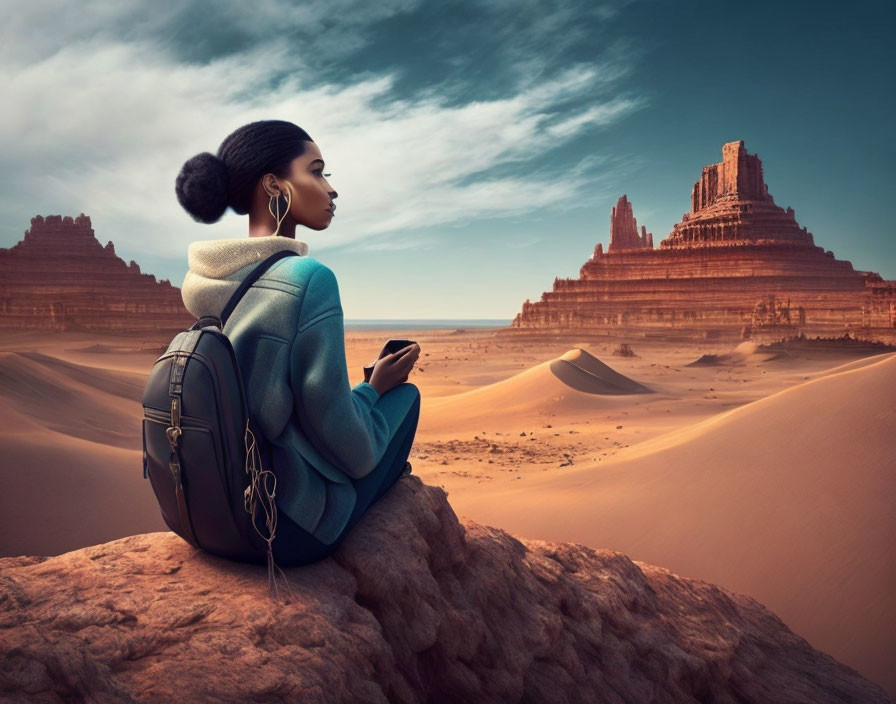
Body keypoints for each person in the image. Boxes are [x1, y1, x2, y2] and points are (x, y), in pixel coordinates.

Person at [174, 119, 421, 566]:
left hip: (213, 518)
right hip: (285, 527)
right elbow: (348, 444)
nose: (331, 189)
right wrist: (374, 390)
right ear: (274, 185)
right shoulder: (308, 280)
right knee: (407, 399)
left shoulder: (205, 281)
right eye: (317, 171)